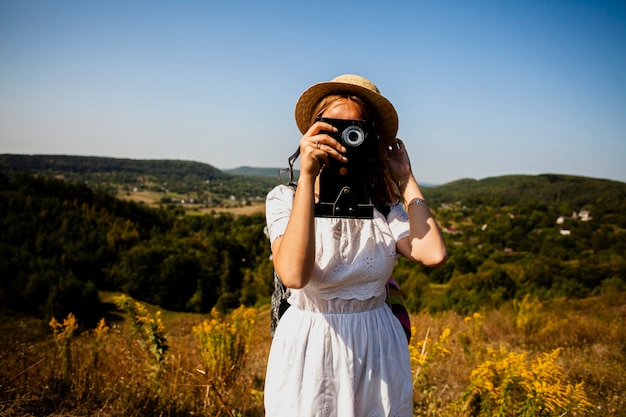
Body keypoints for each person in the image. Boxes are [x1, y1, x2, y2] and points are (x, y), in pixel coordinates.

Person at [264, 74, 447, 417]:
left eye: (358, 130)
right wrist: (307, 177)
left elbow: (432, 252)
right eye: (333, 127)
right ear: (313, 132)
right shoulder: (284, 200)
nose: (346, 140)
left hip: (377, 348)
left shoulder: (382, 207)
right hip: (310, 348)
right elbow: (293, 275)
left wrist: (405, 179)